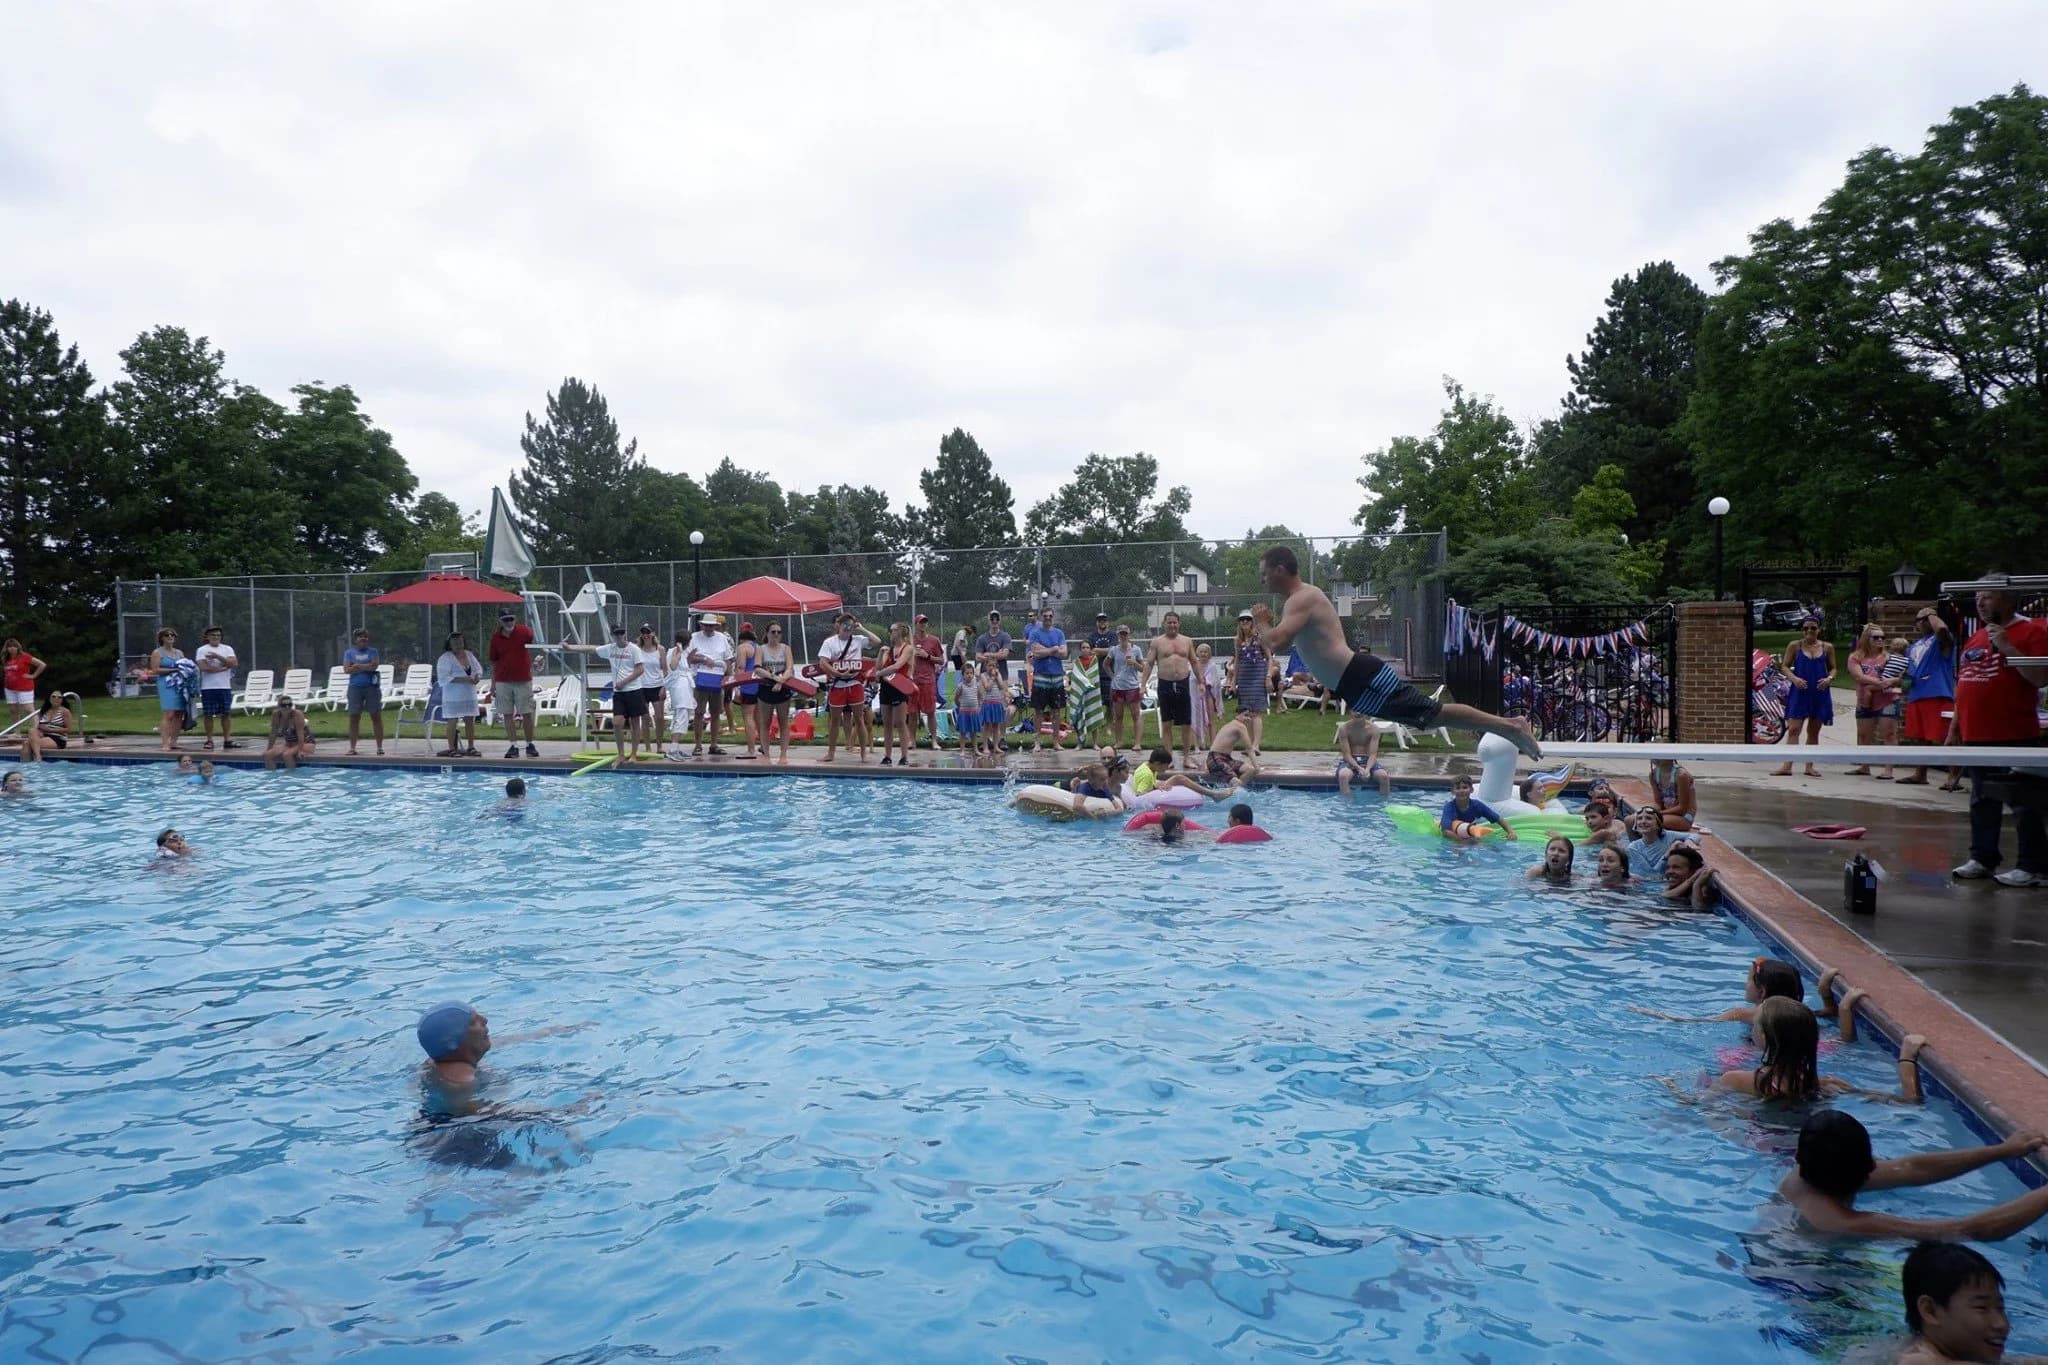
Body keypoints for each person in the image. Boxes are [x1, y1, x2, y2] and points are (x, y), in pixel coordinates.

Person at [1254, 545, 1542, 758]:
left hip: (1360, 676)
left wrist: (1262, 621)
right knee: (1429, 717)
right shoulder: (1300, 599)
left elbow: (1276, 640)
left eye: (1264, 574)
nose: (1262, 580)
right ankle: (1506, 726)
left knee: (1432, 713)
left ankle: (1511, 725)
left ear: (1280, 569)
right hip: (1353, 687)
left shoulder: (1303, 597)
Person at [1780, 1110, 2048, 1242]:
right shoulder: (1842, 1222)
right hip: (1808, 1286)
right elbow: (1966, 1230)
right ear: (1870, 1167)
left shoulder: (1804, 1173)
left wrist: (2004, 1150)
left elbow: (1911, 1168)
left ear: (1798, 1156)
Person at [1948, 577, 2048, 886]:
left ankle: (2033, 867)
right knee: (1981, 800)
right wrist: (1955, 726)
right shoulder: (1976, 636)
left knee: (2024, 803)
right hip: (1977, 734)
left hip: (2014, 733)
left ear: (2008, 600)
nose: (1980, 603)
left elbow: (2040, 677)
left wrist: (2007, 647)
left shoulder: (2033, 630)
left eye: (1988, 597)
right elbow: (1965, 682)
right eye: (1978, 597)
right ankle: (1982, 858)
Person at [1702, 997, 1923, 1102]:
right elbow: (1909, 1101)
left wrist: (1672, 1088)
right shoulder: (1827, 1085)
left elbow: (1699, 1107)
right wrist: (1907, 1059)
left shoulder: (1736, 1080)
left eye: (1755, 1024)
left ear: (1762, 1038)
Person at [1896, 1241, 2040, 1363]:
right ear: (1930, 1311)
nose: (2001, 1324)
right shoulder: (1918, 1359)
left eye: (2000, 1308)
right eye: (1981, 1307)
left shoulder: (1956, 1355)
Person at [563, 626, 647, 762]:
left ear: (625, 633)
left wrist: (624, 681)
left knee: (635, 723)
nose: (619, 636)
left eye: (621, 633)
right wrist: (570, 647)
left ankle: (633, 754)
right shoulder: (610, 648)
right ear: (612, 635)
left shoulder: (634, 649)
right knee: (617, 722)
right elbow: (590, 649)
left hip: (633, 690)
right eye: (616, 634)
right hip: (619, 693)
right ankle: (621, 754)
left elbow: (640, 669)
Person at [1900, 604, 1960, 787]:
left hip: (1938, 693)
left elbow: (1942, 630)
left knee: (1946, 736)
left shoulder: (1940, 641)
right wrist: (1905, 681)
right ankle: (1920, 774)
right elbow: (1912, 669)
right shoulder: (1913, 646)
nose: (1923, 622)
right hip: (1917, 694)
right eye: (1920, 619)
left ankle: (1953, 777)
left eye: (1926, 619)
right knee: (1920, 738)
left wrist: (1932, 613)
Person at [1772, 615, 1837, 777]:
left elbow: (1833, 668)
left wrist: (1829, 679)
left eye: (1813, 628)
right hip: (1800, 692)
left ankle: (1809, 766)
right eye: (1805, 628)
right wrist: (1794, 679)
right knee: (1794, 729)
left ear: (1819, 630)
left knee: (1813, 732)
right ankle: (1787, 766)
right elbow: (1785, 666)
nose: (1809, 631)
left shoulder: (1827, 647)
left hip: (1819, 692)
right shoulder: (1795, 646)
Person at [1138, 611, 1199, 770]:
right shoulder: (1157, 642)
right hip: (1165, 684)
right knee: (1166, 724)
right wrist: (1143, 684)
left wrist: (1201, 681)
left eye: (1174, 622)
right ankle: (1169, 758)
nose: (1172, 625)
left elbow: (1193, 661)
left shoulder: (1187, 641)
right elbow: (1149, 664)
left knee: (1186, 723)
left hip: (1183, 683)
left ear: (1179, 624)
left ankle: (1186, 758)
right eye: (1169, 622)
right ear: (1164, 624)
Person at [817, 614, 870, 764]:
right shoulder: (829, 642)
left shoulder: (858, 640)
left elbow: (876, 641)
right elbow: (823, 663)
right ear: (838, 626)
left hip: (855, 684)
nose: (847, 627)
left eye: (850, 625)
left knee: (859, 718)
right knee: (835, 720)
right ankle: (831, 753)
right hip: (838, 684)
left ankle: (864, 754)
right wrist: (838, 674)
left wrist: (862, 629)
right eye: (844, 624)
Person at [1847, 623, 1898, 777]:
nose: (1880, 640)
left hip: (1887, 699)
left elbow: (1901, 676)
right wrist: (1879, 682)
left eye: (1883, 637)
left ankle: (1888, 769)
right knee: (1863, 735)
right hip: (1864, 700)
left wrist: (1893, 681)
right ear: (1866, 639)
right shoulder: (1855, 657)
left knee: (1889, 734)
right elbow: (1858, 676)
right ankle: (1864, 766)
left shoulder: (1889, 657)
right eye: (1876, 637)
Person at [489, 609, 540, 759]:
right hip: (503, 681)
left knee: (526, 713)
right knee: (507, 714)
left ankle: (530, 744)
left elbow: (536, 642)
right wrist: (493, 684)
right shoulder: (496, 638)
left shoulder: (524, 632)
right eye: (506, 620)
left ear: (515, 619)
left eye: (511, 619)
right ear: (501, 621)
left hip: (523, 679)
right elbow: (493, 662)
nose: (509, 622)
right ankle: (513, 745)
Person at [682, 614, 733, 758]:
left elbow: (728, 659)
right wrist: (704, 659)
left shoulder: (722, 638)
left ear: (716, 626)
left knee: (716, 712)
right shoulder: (694, 637)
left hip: (717, 678)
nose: (710, 628)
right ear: (702, 625)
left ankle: (714, 744)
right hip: (700, 677)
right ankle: (698, 745)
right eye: (707, 625)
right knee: (699, 712)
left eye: (712, 626)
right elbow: (689, 658)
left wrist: (730, 678)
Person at [1227, 609, 1271, 757]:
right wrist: (1233, 681)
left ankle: (1256, 745)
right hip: (1244, 678)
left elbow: (1269, 658)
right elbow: (1237, 661)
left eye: (1248, 619)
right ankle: (1251, 744)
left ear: (1252, 622)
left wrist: (1268, 676)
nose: (1245, 622)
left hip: (1258, 676)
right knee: (1247, 712)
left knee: (1257, 711)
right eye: (1242, 620)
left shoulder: (1260, 638)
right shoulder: (1237, 640)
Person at [1024, 606, 1068, 752]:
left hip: (1056, 676)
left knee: (1056, 711)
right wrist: (1054, 649)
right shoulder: (1035, 633)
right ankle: (1037, 742)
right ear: (1041, 617)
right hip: (1040, 676)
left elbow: (1064, 653)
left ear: (1052, 617)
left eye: (1050, 616)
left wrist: (1045, 651)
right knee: (1038, 711)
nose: (1048, 618)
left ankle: (1056, 742)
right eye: (1045, 616)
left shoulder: (1059, 633)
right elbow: (1035, 652)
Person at [435, 632, 485, 757]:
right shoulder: (445, 658)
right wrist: (465, 679)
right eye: (455, 643)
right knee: (452, 720)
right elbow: (444, 677)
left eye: (460, 642)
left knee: (470, 719)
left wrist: (477, 677)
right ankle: (452, 748)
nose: (458, 645)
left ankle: (471, 747)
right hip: (453, 696)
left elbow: (478, 669)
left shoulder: (469, 655)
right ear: (450, 644)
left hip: (468, 694)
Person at [875, 622, 917, 766]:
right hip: (887, 686)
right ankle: (887, 755)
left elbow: (897, 666)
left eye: (892, 630)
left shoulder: (908, 648)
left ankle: (904, 756)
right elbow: (879, 666)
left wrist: (879, 673)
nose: (890, 633)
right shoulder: (889, 650)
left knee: (900, 722)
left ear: (899, 632)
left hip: (900, 686)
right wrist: (880, 654)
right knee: (887, 723)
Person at [1131, 745, 1237, 801]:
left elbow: (1148, 783)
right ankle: (1213, 794)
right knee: (1179, 779)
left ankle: (1212, 794)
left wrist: (1156, 785)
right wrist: (1156, 790)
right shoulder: (1147, 774)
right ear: (1158, 763)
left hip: (1153, 788)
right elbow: (1139, 796)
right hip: (1151, 795)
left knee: (1179, 778)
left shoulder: (1147, 766)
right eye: (1165, 766)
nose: (1166, 769)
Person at [193, 625, 239, 751]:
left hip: (224, 686)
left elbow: (234, 663)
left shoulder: (227, 649)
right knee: (208, 714)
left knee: (226, 714)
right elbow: (203, 667)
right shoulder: (202, 650)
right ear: (207, 637)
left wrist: (217, 657)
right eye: (213, 635)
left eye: (218, 635)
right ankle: (209, 740)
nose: (216, 637)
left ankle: (227, 739)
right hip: (208, 687)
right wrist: (223, 667)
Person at [754, 622, 795, 765]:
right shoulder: (761, 649)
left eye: (779, 632)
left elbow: (790, 668)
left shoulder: (786, 648)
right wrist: (774, 678)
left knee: (784, 722)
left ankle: (783, 755)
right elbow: (758, 669)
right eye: (773, 632)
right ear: (767, 634)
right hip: (766, 686)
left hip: (782, 686)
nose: (776, 634)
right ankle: (766, 754)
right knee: (765, 723)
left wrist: (781, 681)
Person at [341, 628, 385, 756]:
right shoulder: (349, 652)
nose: (363, 639)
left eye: (365, 637)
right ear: (355, 640)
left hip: (372, 687)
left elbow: (374, 666)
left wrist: (357, 666)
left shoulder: (373, 651)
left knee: (375, 715)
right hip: (355, 688)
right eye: (360, 637)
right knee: (354, 717)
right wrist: (365, 666)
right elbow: (347, 670)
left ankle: (380, 747)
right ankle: (352, 748)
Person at [145, 626, 188, 753]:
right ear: (162, 638)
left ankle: (174, 742)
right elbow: (155, 670)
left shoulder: (179, 653)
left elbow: (184, 666)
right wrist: (173, 670)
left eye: (172, 635)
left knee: (179, 713)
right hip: (166, 684)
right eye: (167, 635)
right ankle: (165, 743)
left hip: (179, 683)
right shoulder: (157, 652)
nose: (170, 637)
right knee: (169, 713)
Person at [975, 610, 1015, 745]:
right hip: (984, 676)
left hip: (1001, 675)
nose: (994, 621)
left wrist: (987, 654)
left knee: (1002, 706)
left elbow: (1005, 654)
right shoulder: (982, 638)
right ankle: (987, 739)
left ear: (1000, 620)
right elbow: (977, 657)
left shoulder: (1005, 636)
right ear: (989, 620)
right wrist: (995, 654)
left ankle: (1001, 738)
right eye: (992, 619)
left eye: (996, 619)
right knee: (983, 706)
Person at [1440, 773, 1516, 841]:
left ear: (1471, 790)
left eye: (1465, 787)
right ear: (1453, 791)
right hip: (1454, 836)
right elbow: (1445, 831)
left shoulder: (1477, 805)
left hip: (1469, 831)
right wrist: (1461, 842)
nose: (1461, 790)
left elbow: (1498, 819)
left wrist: (1510, 832)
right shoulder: (1449, 807)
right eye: (1458, 788)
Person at [1105, 625, 1145, 752]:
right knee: (1118, 715)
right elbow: (1106, 664)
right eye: (1121, 634)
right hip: (1117, 686)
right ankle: (1119, 741)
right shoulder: (1114, 650)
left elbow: (1143, 668)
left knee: (1135, 715)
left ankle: (1137, 743)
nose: (1123, 636)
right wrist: (1112, 676)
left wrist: (1135, 663)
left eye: (1125, 634)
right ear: (1118, 635)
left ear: (1129, 635)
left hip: (1132, 686)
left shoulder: (1136, 649)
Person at [1624, 806, 1691, 876]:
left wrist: (1689, 842)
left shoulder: (1668, 835)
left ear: (1658, 824)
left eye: (1649, 818)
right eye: (1639, 818)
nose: (1643, 822)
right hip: (1645, 882)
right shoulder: (1633, 848)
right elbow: (1651, 875)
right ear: (1636, 825)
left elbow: (1695, 836)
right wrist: (1669, 852)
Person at [1335, 714, 1391, 797]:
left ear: (1366, 713)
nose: (1358, 713)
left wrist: (1367, 769)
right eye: (1355, 710)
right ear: (1350, 711)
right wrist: (1358, 767)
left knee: (1384, 777)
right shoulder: (1344, 728)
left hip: (1368, 759)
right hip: (1350, 760)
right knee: (1343, 776)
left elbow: (1373, 754)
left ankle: (1384, 803)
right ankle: (1347, 805)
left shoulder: (1373, 729)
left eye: (1361, 711)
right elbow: (1346, 754)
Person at [912, 614, 945, 749]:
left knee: (931, 711)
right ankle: (911, 740)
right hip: (913, 680)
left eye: (925, 622)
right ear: (916, 624)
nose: (923, 625)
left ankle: (934, 740)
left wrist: (928, 656)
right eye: (920, 622)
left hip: (928, 680)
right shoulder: (910, 640)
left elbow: (941, 660)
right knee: (912, 712)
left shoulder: (934, 640)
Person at [21, 690, 80, 761]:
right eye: (53, 697)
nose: (56, 699)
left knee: (28, 744)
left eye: (59, 697)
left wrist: (50, 730)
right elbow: (38, 726)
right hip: (44, 735)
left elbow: (69, 730)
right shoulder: (45, 710)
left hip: (57, 738)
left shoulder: (65, 711)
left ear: (62, 700)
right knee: (31, 731)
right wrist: (39, 729)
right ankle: (25, 767)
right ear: (49, 698)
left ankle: (38, 757)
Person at [1068, 642, 1107, 749]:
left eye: (1087, 647)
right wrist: (1083, 684)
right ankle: (1079, 743)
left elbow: (1094, 675)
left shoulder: (1094, 661)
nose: (1085, 649)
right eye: (1083, 647)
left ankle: (1095, 743)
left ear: (1091, 649)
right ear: (1080, 649)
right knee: (1079, 716)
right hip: (1080, 694)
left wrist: (1088, 683)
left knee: (1094, 715)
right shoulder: (1077, 662)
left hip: (1092, 693)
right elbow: (1076, 677)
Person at [1205, 714, 1259, 786]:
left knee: (1250, 770)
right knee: (1237, 782)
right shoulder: (1240, 726)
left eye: (1250, 716)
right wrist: (1257, 767)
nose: (1248, 718)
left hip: (1226, 759)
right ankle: (1235, 791)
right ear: (1237, 715)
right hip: (1216, 759)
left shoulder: (1230, 724)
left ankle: (1236, 790)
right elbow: (1249, 749)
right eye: (1245, 715)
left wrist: (1255, 769)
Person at [1646, 757, 1698, 832]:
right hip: (1666, 813)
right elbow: (1658, 803)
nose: (1655, 757)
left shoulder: (1681, 775)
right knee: (1630, 820)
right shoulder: (1653, 774)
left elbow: (1682, 809)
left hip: (1684, 817)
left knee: (1650, 822)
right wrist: (1647, 810)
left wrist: (1659, 813)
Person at [263, 696, 316, 769]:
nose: (287, 707)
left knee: (287, 755)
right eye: (284, 705)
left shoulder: (297, 714)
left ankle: (291, 776)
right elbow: (273, 733)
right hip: (289, 744)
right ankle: (271, 777)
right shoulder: (276, 715)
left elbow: (300, 734)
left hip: (305, 743)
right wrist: (269, 748)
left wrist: (300, 750)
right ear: (278, 706)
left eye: (290, 705)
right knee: (267, 754)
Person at [1661, 842, 1719, 908]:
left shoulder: (1702, 888)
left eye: (1676, 867)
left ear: (1693, 871)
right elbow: (1666, 895)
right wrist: (1691, 879)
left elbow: (1699, 909)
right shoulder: (1673, 885)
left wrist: (1697, 885)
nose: (1669, 872)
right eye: (1668, 867)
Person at [1189, 641, 1224, 748]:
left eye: (1206, 652)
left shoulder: (1212, 666)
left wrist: (1206, 682)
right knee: (1194, 718)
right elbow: (1191, 679)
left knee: (1211, 720)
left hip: (1209, 695)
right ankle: (1197, 744)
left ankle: (1213, 744)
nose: (1203, 654)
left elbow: (1215, 682)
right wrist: (1200, 682)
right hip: (1195, 695)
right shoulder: (1192, 665)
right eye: (1201, 652)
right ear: (1197, 653)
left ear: (1209, 654)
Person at [2, 637, 44, 721]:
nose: (12, 648)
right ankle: (17, 732)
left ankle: (38, 728)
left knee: (28, 708)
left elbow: (42, 665)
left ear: (18, 647)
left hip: (24, 687)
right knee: (13, 710)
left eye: (14, 646)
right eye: (9, 646)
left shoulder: (24, 656)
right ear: (6, 648)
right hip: (9, 688)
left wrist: (33, 675)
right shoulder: (6, 659)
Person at [953, 661, 985, 759]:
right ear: (962, 675)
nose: (969, 675)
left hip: (974, 711)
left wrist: (979, 705)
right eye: (967, 673)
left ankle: (975, 749)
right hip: (964, 712)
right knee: (963, 732)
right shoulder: (960, 686)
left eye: (971, 673)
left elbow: (980, 695)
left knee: (974, 732)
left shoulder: (977, 685)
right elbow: (956, 698)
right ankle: (962, 749)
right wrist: (960, 706)